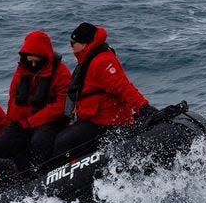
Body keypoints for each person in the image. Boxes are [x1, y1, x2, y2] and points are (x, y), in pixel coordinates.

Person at [53, 22, 156, 157]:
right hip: (92, 118)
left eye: (72, 43)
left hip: (106, 122)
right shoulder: (88, 59)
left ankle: (66, 173)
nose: (70, 46)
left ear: (84, 44)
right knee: (62, 136)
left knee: (64, 142)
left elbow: (123, 87)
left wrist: (144, 108)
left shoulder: (102, 61)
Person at [0, 30, 72, 169]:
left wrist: (31, 122)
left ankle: (42, 173)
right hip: (25, 121)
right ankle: (14, 175)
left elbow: (62, 106)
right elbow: (13, 100)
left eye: (37, 61)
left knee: (39, 142)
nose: (33, 65)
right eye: (30, 60)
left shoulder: (61, 72)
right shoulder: (21, 71)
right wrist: (11, 125)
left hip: (51, 120)